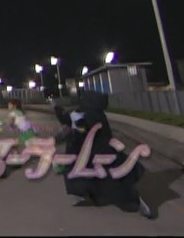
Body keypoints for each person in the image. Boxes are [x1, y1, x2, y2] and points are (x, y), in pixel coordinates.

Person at [53, 91, 154, 219]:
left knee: (111, 182)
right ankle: (85, 194)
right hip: (93, 154)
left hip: (99, 154)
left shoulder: (93, 116)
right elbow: (71, 122)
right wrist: (62, 115)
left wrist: (71, 129)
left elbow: (81, 128)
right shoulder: (90, 113)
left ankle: (136, 202)